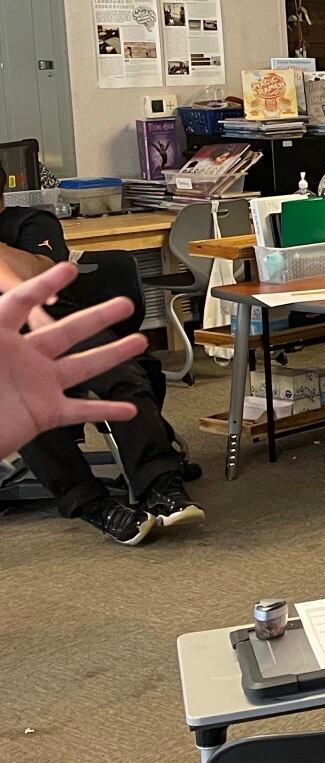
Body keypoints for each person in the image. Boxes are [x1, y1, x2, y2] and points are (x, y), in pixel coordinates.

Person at [1, 194, 203, 545]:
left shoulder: (31, 223)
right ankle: (94, 505)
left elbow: (38, 276)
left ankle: (160, 485)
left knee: (122, 374)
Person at [0, 257, 149, 460]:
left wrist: (29, 304)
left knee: (122, 372)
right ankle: (80, 492)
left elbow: (37, 269)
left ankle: (159, 480)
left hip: (47, 324)